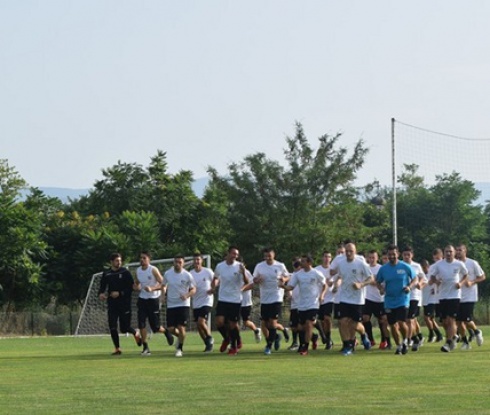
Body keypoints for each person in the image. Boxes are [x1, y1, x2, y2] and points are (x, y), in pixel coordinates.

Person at [333, 242, 374, 355]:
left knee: (354, 324)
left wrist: (361, 285)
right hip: (344, 297)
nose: (349, 253)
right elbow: (340, 276)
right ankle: (348, 345)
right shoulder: (341, 263)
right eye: (347, 251)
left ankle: (363, 335)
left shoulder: (361, 263)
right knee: (342, 321)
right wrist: (337, 284)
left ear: (355, 252)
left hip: (357, 299)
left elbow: (370, 278)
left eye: (351, 251)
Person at [281, 254, 326, 356]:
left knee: (309, 324)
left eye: (304, 261)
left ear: (309, 263)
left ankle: (305, 347)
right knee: (301, 327)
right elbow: (291, 287)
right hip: (302, 304)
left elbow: (324, 285)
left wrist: (322, 295)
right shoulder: (298, 274)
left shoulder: (316, 273)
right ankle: (311, 339)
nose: (301, 263)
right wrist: (282, 286)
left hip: (313, 303)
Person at [376, 244, 417, 355]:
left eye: (393, 254)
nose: (391, 256)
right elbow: (377, 281)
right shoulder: (383, 269)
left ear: (397, 254)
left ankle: (405, 340)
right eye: (389, 255)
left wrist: (409, 287)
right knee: (393, 325)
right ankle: (399, 345)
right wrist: (380, 288)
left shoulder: (404, 266)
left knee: (401, 322)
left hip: (402, 299)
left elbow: (415, 278)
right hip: (389, 300)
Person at [98, 252, 141, 355]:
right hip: (112, 304)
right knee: (112, 326)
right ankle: (117, 348)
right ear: (111, 262)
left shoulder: (125, 272)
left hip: (124, 303)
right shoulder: (106, 274)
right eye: (117, 260)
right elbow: (102, 288)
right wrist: (101, 294)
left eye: (120, 260)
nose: (119, 262)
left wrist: (120, 293)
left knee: (124, 328)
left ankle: (135, 333)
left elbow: (132, 288)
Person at [134, 251, 174, 356]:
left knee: (155, 327)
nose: (142, 260)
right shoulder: (138, 270)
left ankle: (166, 332)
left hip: (153, 299)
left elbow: (163, 284)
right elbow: (137, 283)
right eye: (141, 258)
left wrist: (152, 288)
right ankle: (145, 347)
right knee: (141, 323)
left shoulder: (153, 270)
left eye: (144, 258)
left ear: (149, 259)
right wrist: (136, 287)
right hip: (142, 299)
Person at [429, 245, 468, 353]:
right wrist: (437, 282)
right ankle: (454, 336)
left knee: (451, 320)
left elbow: (466, 275)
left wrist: (460, 283)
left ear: (454, 253)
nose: (448, 254)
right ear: (444, 253)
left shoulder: (459, 264)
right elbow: (432, 277)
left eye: (450, 252)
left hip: (454, 295)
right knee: (444, 322)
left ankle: (448, 342)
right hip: (442, 296)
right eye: (446, 252)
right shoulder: (439, 264)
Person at [212, 246, 249, 356]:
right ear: (228, 253)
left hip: (235, 299)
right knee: (219, 322)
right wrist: (213, 286)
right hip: (223, 298)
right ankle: (227, 338)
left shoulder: (239, 266)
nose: (235, 256)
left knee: (233, 324)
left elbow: (246, 282)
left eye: (236, 254)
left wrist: (243, 273)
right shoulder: (220, 266)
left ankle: (234, 346)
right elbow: (215, 278)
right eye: (233, 253)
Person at [253, 248, 290, 355]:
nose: (267, 258)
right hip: (265, 298)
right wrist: (257, 280)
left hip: (276, 297)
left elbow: (287, 276)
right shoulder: (259, 266)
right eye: (266, 256)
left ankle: (269, 346)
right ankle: (277, 337)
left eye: (269, 255)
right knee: (264, 323)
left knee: (272, 323)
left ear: (274, 255)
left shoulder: (280, 265)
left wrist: (284, 279)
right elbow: (254, 279)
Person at [162, 255, 197, 357]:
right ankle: (180, 337)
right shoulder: (168, 274)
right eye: (176, 262)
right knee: (171, 328)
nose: (178, 264)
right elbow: (163, 285)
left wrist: (187, 295)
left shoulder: (187, 275)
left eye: (180, 262)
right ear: (173, 262)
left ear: (183, 263)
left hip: (183, 305)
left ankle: (180, 348)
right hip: (171, 305)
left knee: (181, 328)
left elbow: (193, 289)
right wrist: (163, 295)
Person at [455, 244, 485, 349]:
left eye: (460, 250)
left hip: (469, 296)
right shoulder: (454, 264)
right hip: (456, 295)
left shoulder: (472, 263)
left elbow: (482, 276)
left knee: (467, 320)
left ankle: (477, 331)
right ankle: (465, 342)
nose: (458, 252)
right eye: (457, 250)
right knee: (458, 321)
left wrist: (472, 282)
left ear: (465, 251)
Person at [363, 250, 391, 350]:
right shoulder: (365, 268)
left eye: (373, 257)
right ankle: (371, 339)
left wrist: (375, 283)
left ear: (377, 258)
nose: (371, 259)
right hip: (368, 298)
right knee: (365, 318)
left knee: (382, 320)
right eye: (369, 257)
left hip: (379, 299)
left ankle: (384, 340)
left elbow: (383, 283)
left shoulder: (381, 268)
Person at [401, 246, 426, 351]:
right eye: (405, 255)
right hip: (402, 297)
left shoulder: (416, 266)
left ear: (412, 255)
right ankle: (416, 338)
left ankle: (408, 339)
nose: (407, 257)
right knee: (405, 320)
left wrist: (420, 284)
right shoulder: (400, 265)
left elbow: (424, 279)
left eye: (408, 255)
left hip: (414, 296)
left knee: (410, 319)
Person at [190, 253, 215, 352]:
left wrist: (213, 289)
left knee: (201, 321)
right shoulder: (190, 274)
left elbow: (216, 280)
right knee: (198, 326)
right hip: (196, 301)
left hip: (207, 300)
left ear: (201, 261)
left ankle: (209, 337)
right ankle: (207, 343)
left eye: (198, 260)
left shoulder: (207, 271)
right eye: (195, 260)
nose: (196, 262)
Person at [239, 257, 262, 345]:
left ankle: (256, 330)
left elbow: (252, 285)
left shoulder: (247, 273)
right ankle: (235, 340)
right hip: (235, 301)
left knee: (245, 322)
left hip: (245, 302)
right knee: (232, 322)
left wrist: (241, 289)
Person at [315, 251, 335, 350]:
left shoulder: (333, 270)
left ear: (331, 258)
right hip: (318, 298)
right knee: (321, 320)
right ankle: (325, 336)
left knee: (327, 318)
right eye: (325, 256)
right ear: (322, 258)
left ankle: (329, 340)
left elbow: (337, 281)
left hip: (330, 298)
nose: (327, 258)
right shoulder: (317, 270)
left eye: (329, 257)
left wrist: (333, 285)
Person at [421, 258, 443, 343]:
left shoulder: (432, 274)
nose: (424, 269)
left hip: (432, 299)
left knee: (427, 318)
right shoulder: (421, 275)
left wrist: (435, 289)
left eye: (425, 267)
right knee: (431, 319)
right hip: (424, 299)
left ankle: (431, 334)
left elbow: (438, 282)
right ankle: (439, 334)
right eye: (423, 267)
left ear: (428, 266)